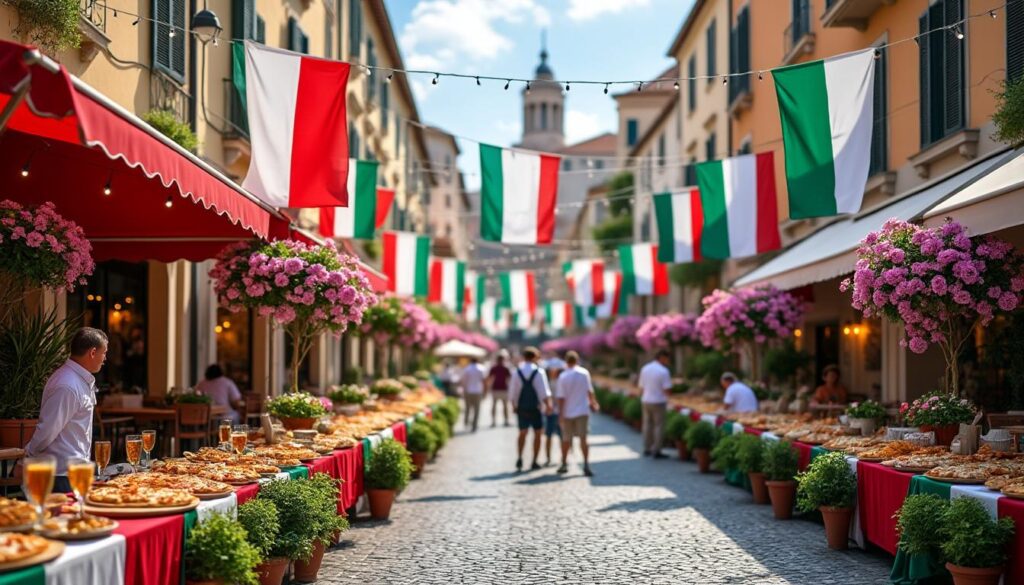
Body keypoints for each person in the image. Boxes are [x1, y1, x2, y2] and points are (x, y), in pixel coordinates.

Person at [25, 328, 107, 493]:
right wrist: (25, 460)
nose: (105, 358)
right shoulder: (67, 384)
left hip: (72, 473)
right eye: (104, 353)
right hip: (60, 476)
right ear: (92, 352)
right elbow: (47, 430)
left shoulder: (77, 380)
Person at [508, 346, 553, 471]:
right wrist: (548, 405)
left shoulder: (517, 372)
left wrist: (513, 405)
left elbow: (513, 391)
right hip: (535, 408)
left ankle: (520, 457)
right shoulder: (539, 372)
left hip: (522, 407)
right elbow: (543, 392)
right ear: (534, 357)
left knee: (522, 433)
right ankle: (534, 460)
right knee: (537, 434)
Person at [556, 351, 599, 476]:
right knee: (583, 438)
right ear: (577, 360)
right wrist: (593, 403)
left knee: (566, 439)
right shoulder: (584, 373)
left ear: (566, 361)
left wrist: (561, 414)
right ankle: (586, 464)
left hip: (568, 412)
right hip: (582, 410)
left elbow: (561, 397)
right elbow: (590, 391)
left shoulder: (563, 376)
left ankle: (564, 463)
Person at [637, 349, 673, 458]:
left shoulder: (645, 368)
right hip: (658, 401)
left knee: (647, 424)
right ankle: (657, 450)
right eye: (667, 358)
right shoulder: (663, 371)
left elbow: (641, 387)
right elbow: (667, 390)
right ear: (662, 357)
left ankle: (647, 448)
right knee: (659, 426)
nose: (668, 361)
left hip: (646, 400)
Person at [460, 357, 487, 432]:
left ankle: (466, 422)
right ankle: (474, 425)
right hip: (477, 391)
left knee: (468, 408)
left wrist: (464, 390)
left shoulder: (467, 369)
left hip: (468, 391)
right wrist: (485, 391)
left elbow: (464, 381)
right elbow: (484, 381)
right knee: (476, 409)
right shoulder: (481, 369)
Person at [487, 353, 511, 427]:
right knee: (505, 406)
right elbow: (509, 379)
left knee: (494, 406)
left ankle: (494, 421)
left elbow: (489, 378)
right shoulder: (505, 368)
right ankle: (506, 420)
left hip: (496, 388)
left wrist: (488, 388)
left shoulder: (494, 368)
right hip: (503, 389)